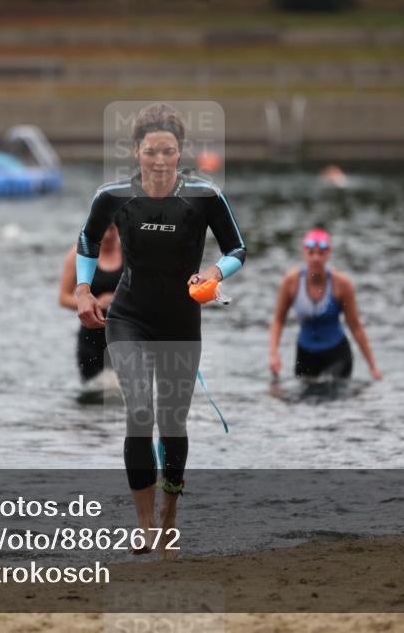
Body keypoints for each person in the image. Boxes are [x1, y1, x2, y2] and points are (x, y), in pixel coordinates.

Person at [74, 103, 246, 559]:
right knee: (139, 413)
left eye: (168, 151)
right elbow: (89, 240)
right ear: (136, 151)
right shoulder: (113, 196)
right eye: (151, 151)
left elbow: (238, 248)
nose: (159, 160)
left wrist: (214, 271)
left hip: (180, 320)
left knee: (172, 422)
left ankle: (170, 517)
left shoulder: (203, 196)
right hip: (129, 317)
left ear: (180, 152)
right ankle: (144, 526)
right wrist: (82, 288)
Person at [269, 227, 382, 383]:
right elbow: (278, 320)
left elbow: (355, 326)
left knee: (335, 399)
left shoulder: (342, 284)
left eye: (321, 253)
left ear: (328, 254)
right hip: (305, 354)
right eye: (311, 253)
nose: (316, 258)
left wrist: (372, 367)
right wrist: (274, 354)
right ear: (304, 253)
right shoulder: (291, 282)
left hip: (337, 354)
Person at [59, 224, 123, 390]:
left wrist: (121, 301)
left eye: (112, 229)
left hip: (126, 336)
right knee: (96, 398)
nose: (108, 235)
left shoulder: (130, 251)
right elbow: (64, 298)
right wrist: (96, 303)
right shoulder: (78, 254)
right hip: (91, 340)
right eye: (103, 229)